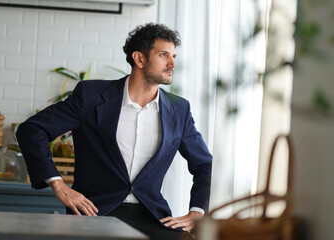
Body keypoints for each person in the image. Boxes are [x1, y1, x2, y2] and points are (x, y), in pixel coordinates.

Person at [16, 23, 212, 240]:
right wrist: (58, 185)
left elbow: (204, 164)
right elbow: (32, 130)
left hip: (152, 216)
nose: (172, 63)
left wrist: (197, 212)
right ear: (139, 59)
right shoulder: (91, 96)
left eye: (174, 55)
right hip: (94, 213)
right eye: (164, 55)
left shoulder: (179, 109)